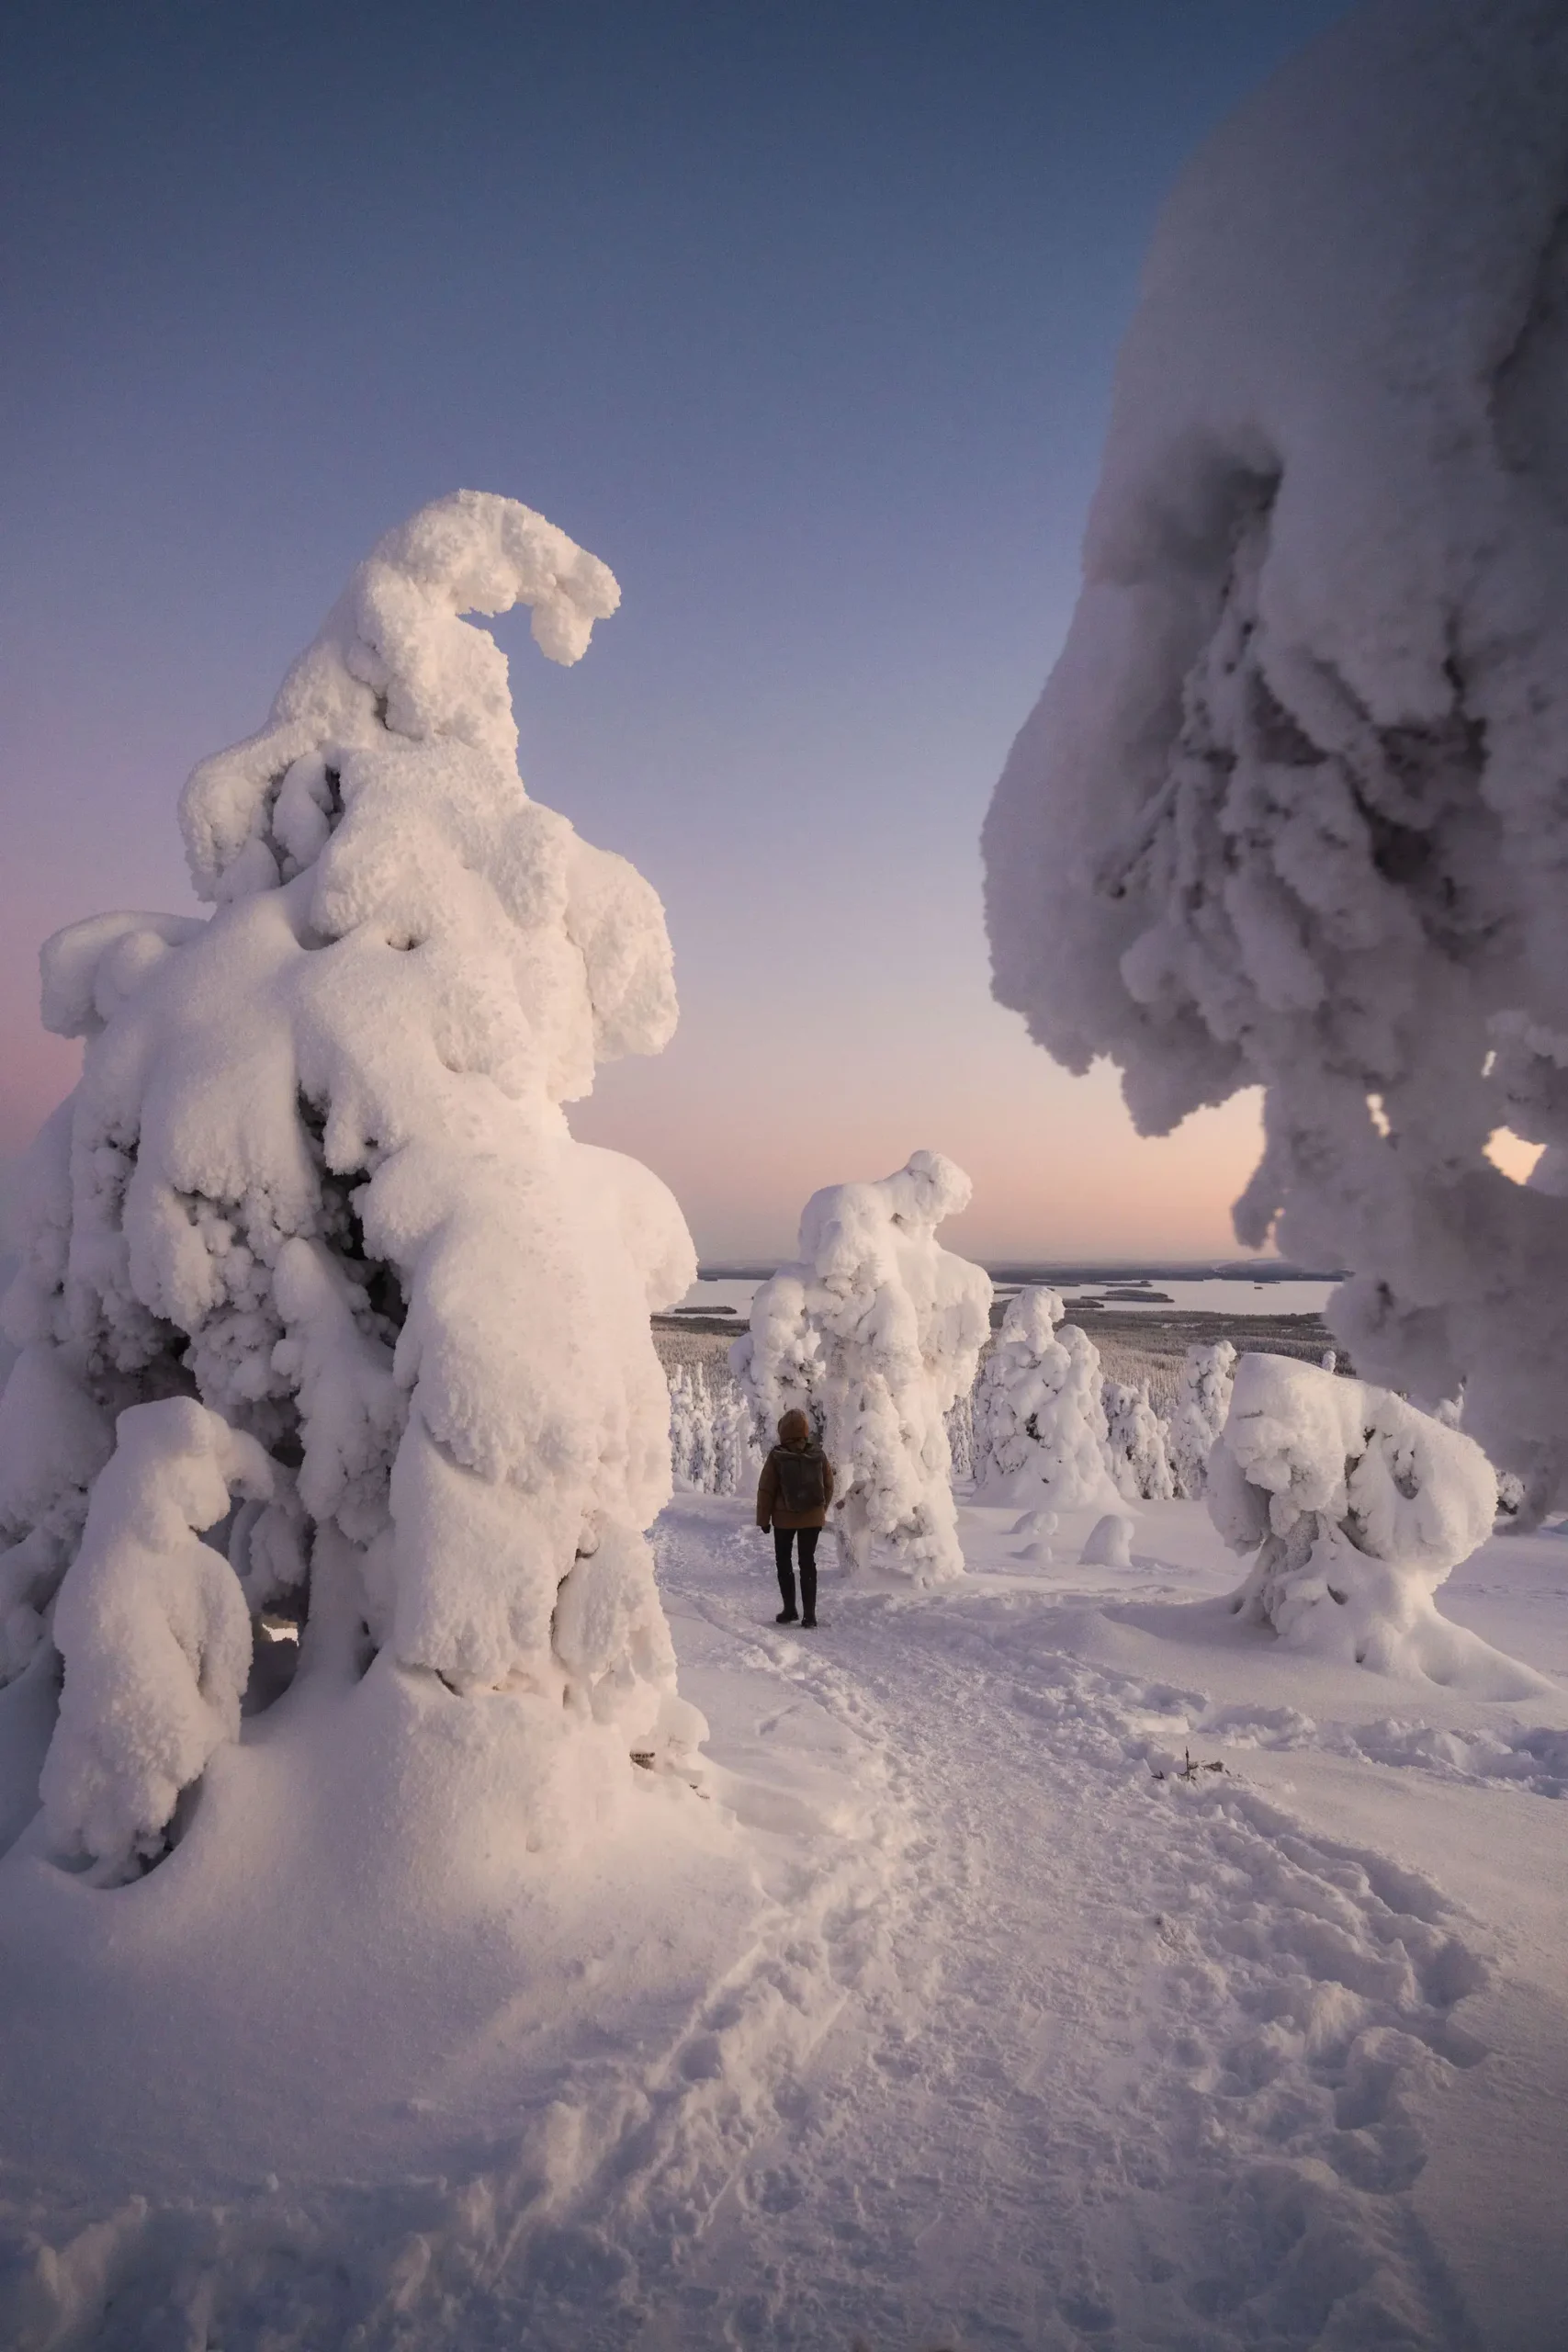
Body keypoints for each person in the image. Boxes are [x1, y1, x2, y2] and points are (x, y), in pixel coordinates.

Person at [755, 1408, 834, 1628]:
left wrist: (763, 1519)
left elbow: (766, 1489)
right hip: (812, 1518)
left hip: (784, 1519)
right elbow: (828, 1485)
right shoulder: (817, 1454)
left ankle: (790, 1610)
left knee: (784, 1561)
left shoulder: (777, 1455)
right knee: (807, 1562)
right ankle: (810, 1616)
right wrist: (820, 1510)